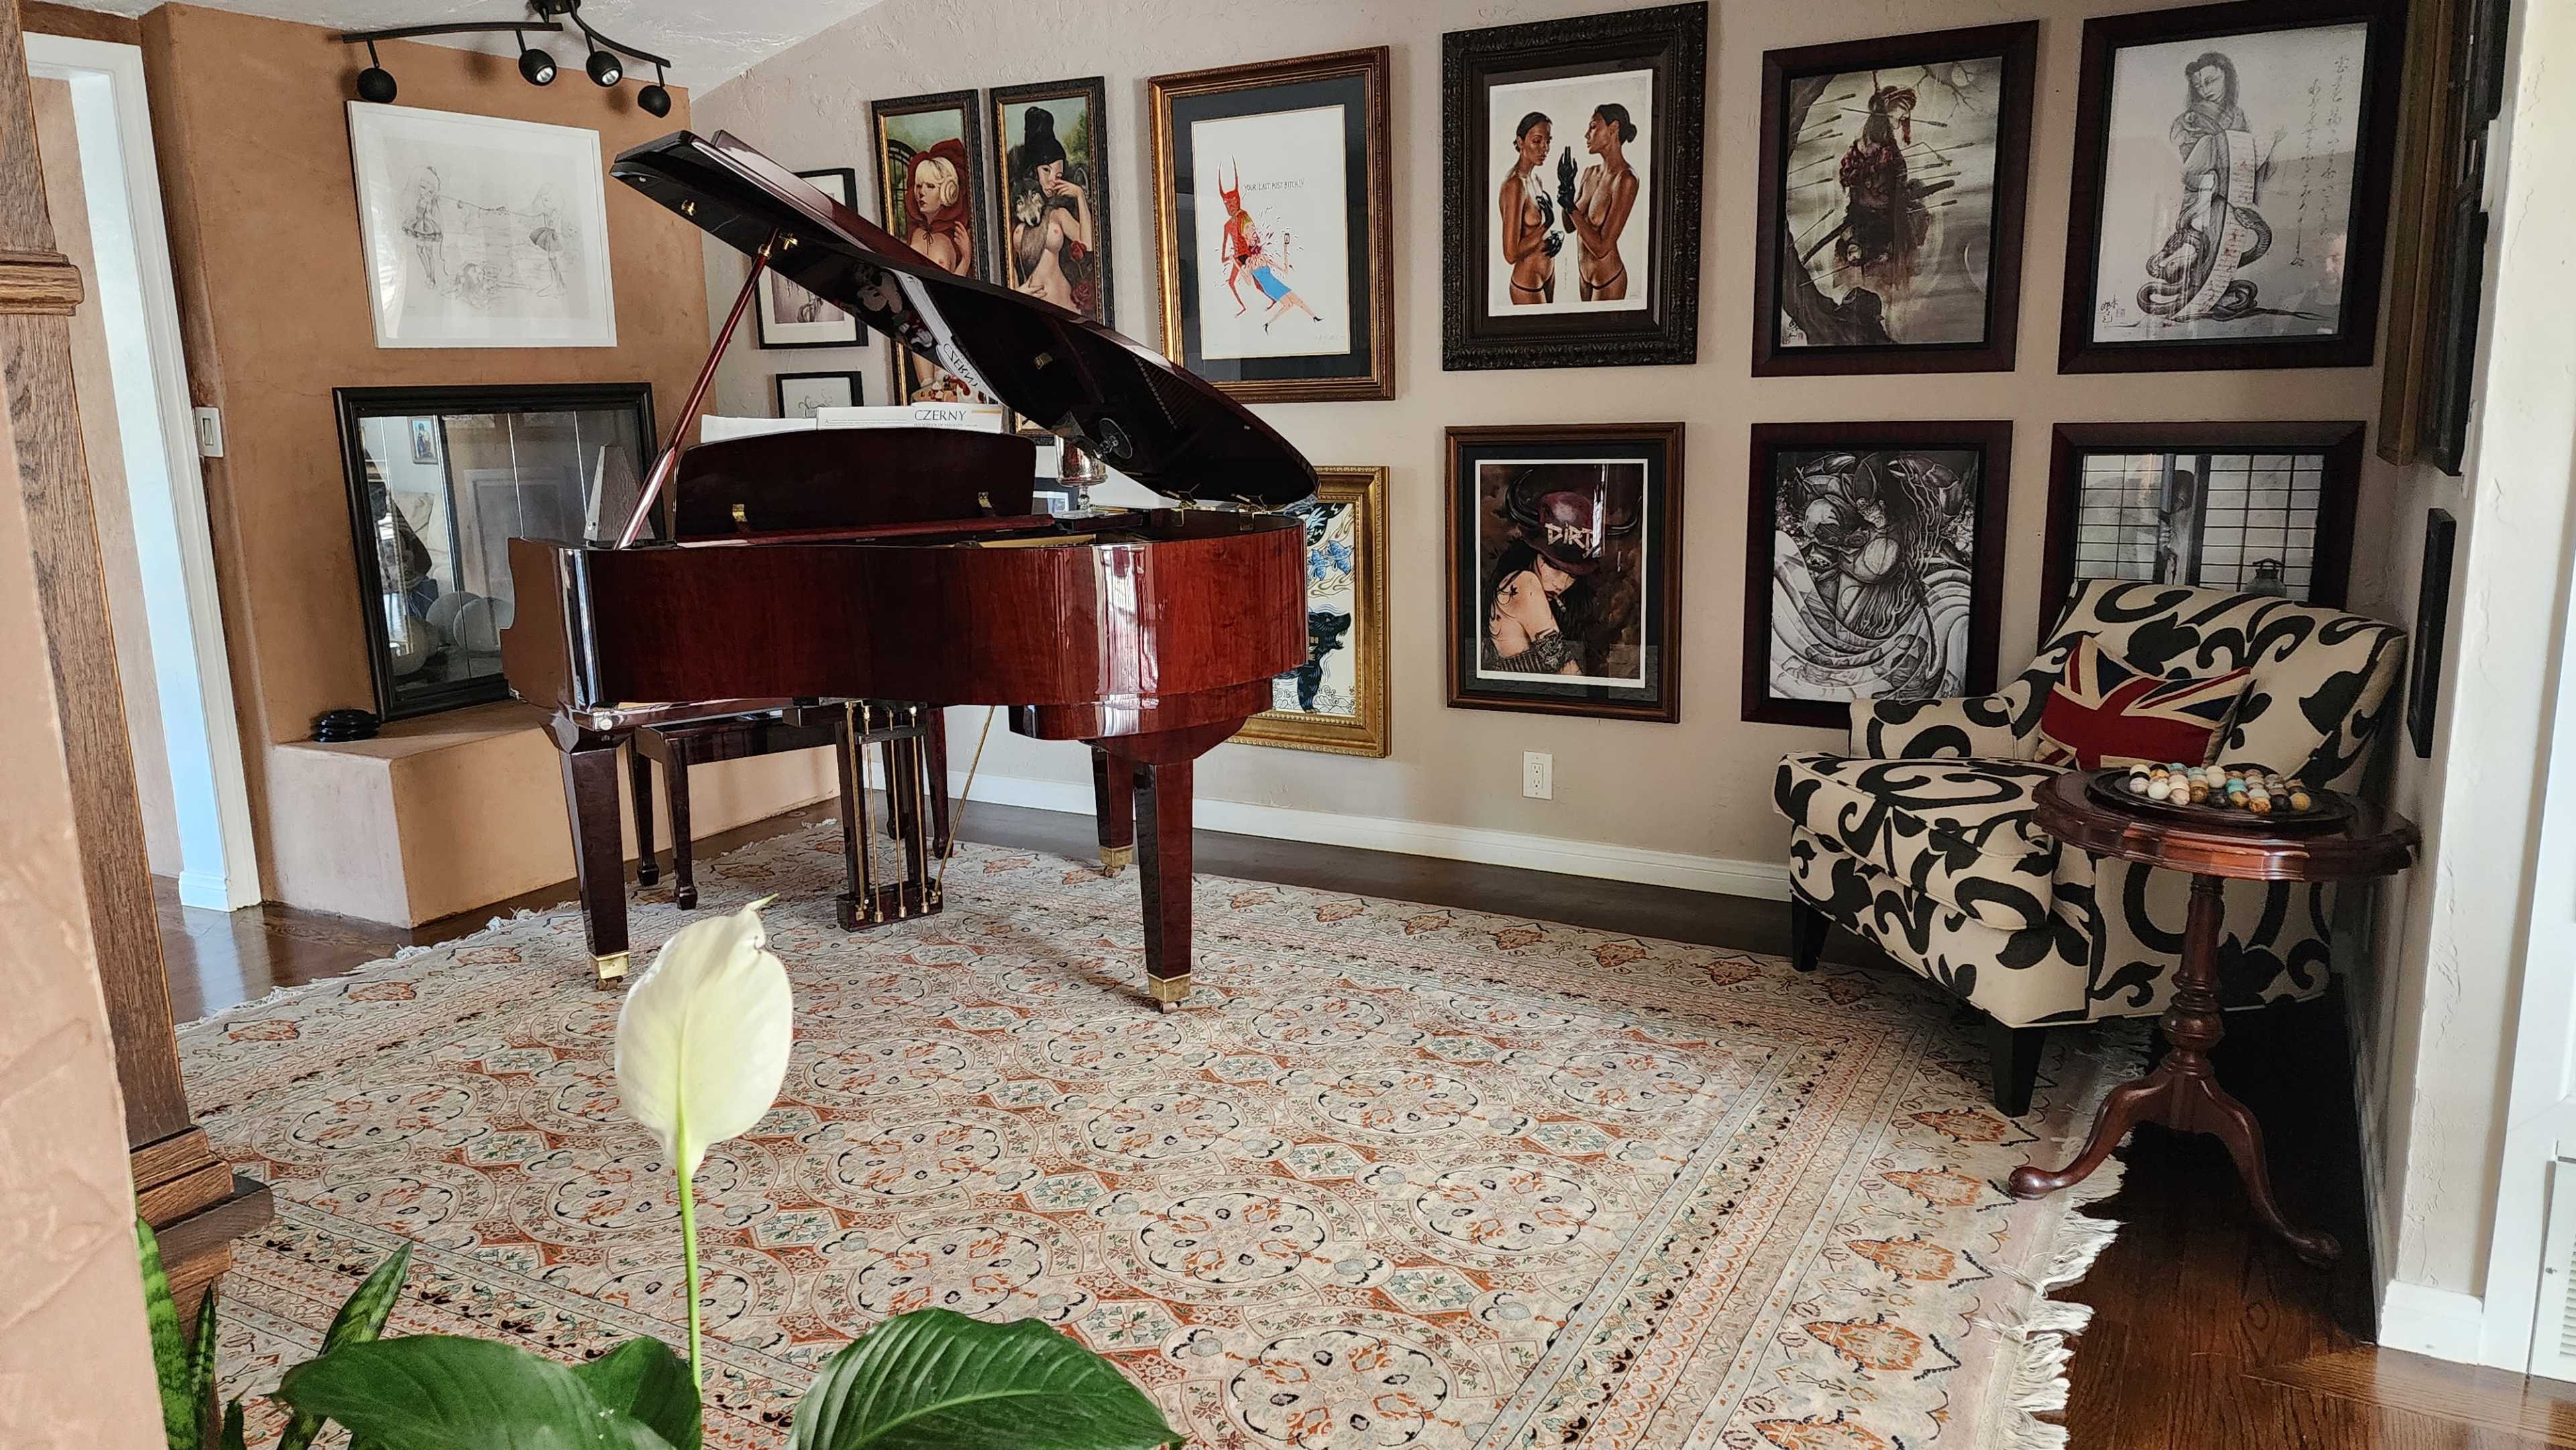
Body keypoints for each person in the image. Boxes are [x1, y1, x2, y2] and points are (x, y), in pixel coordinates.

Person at [1008, 107, 1096, 315]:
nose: (1052, 180)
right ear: (1033, 170)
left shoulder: (1059, 214)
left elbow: (1089, 245)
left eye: (1058, 175)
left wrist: (1080, 196)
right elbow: (1009, 264)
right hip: (1029, 304)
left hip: (1062, 301)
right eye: (1046, 170)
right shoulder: (1013, 215)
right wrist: (1016, 293)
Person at [1557, 103, 1640, 302]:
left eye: (1593, 127)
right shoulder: (1589, 173)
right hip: (1584, 280)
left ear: (1614, 128)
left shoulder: (1625, 179)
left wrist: (1570, 206)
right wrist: (1565, 189)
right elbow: (1569, 226)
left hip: (1608, 281)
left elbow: (1602, 249)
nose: (1587, 134)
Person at [1496, 112, 1559, 306]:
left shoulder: (1536, 180)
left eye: (1548, 141)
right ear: (1520, 142)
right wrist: (1546, 225)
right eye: (1537, 141)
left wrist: (1554, 236)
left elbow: (1534, 231)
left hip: (1548, 274)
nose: (1545, 148)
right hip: (1528, 283)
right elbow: (1511, 254)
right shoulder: (1514, 185)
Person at [900, 140, 975, 276]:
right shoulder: (915, 232)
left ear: (947, 191)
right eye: (919, 186)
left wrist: (966, 259)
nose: (921, 192)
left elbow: (955, 286)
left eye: (930, 186)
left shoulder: (957, 235)